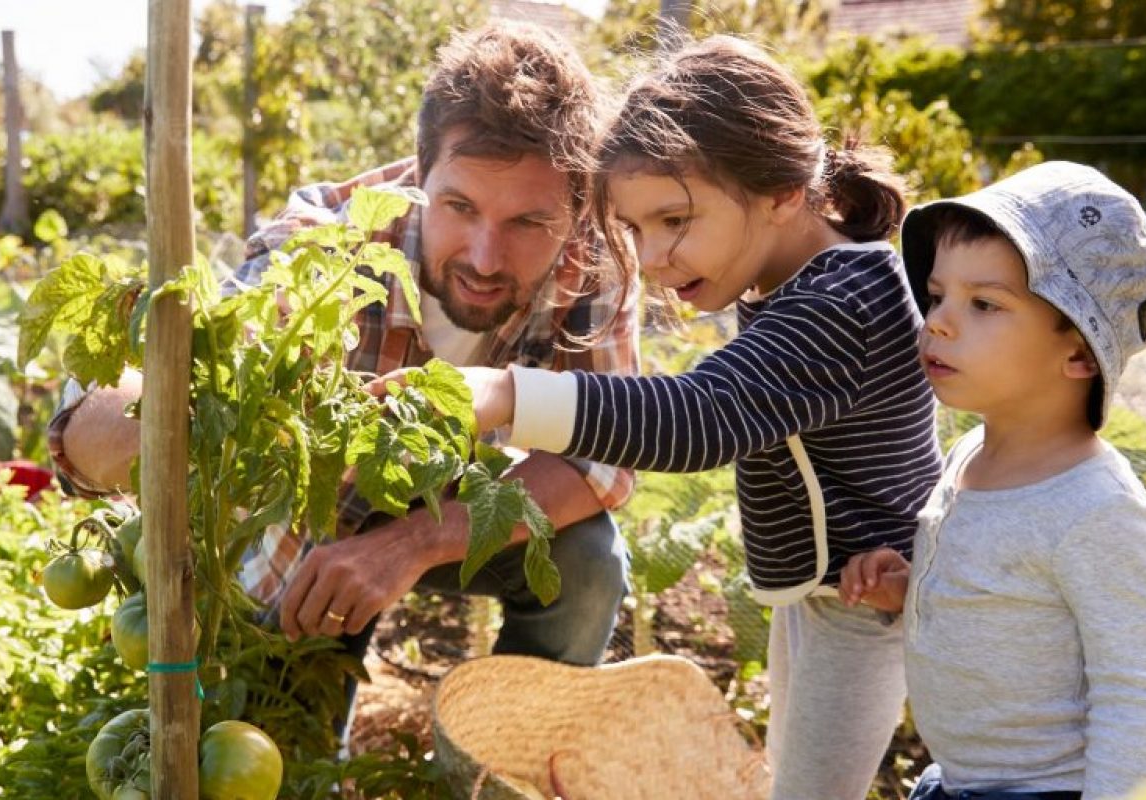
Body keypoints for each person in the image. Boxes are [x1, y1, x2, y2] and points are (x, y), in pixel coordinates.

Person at [403, 35, 945, 800]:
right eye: (635, 230)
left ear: (783, 192)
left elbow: (697, 416)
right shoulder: (811, 285)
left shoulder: (841, 305)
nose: (652, 257)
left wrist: (504, 394)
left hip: (866, 606)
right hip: (837, 597)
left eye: (674, 220)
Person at [48, 22, 638, 677]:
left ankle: (508, 757)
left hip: (454, 510)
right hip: (316, 526)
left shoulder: (595, 260)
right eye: (460, 206)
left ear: (577, 205)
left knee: (587, 560)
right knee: (284, 744)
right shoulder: (329, 241)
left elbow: (602, 458)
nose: (484, 256)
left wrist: (411, 543)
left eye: (529, 222)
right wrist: (120, 421)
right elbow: (202, 364)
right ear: (420, 173)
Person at [839, 161, 1146, 800]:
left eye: (984, 304)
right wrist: (913, 590)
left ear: (1078, 351)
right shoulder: (971, 453)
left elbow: (1133, 702)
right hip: (959, 781)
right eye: (937, 295)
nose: (937, 321)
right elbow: (1010, 600)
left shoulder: (1098, 511)